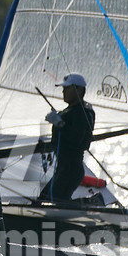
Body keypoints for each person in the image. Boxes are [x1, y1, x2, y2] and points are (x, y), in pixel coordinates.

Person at [44, 73, 95, 204]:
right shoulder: (70, 111)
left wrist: (59, 123)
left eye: (67, 88)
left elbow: (78, 139)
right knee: (45, 199)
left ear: (79, 90)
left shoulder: (83, 111)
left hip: (71, 169)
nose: (63, 91)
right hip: (63, 167)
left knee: (52, 201)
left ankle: (90, 203)